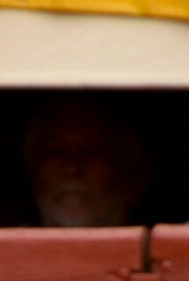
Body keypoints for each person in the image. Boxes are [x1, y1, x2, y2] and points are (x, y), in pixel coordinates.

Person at [23, 96, 148, 229]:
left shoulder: (158, 249)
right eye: (56, 153)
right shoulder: (3, 249)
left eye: (91, 152)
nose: (71, 168)